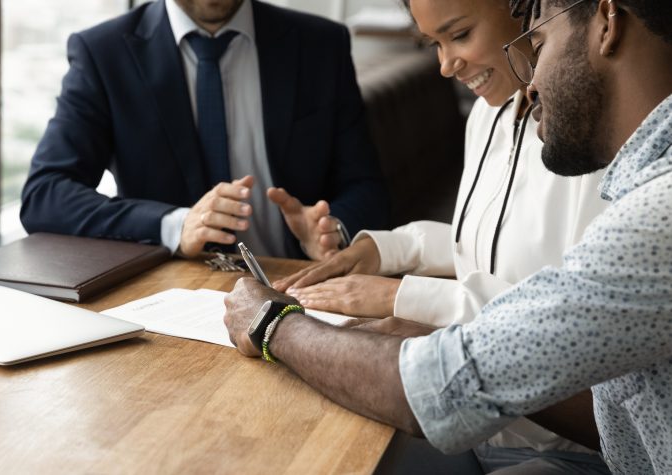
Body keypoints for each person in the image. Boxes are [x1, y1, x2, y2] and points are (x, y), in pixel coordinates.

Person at [223, 0, 672, 473]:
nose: (531, 81)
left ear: (607, 21)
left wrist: (274, 323)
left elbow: (441, 387)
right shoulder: (507, 123)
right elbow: (495, 257)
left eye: (536, 43)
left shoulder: (646, 207)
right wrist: (395, 256)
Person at [20, 0, 388, 260]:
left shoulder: (321, 45)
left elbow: (366, 186)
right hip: (172, 297)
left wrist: (331, 230)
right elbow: (45, 194)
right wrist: (173, 226)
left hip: (298, 285)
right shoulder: (103, 54)